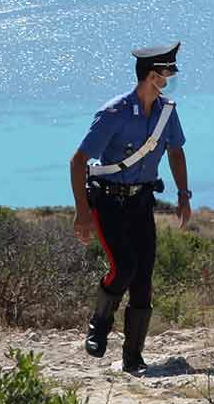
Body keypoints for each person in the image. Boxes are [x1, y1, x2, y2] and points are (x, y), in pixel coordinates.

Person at [70, 42, 192, 374]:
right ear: (153, 76)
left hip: (141, 201)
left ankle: (133, 357)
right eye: (167, 74)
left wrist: (183, 194)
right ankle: (99, 323)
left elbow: (176, 152)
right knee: (123, 268)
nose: (170, 79)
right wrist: (82, 213)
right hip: (108, 201)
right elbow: (79, 160)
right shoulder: (115, 113)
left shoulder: (167, 112)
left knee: (143, 280)